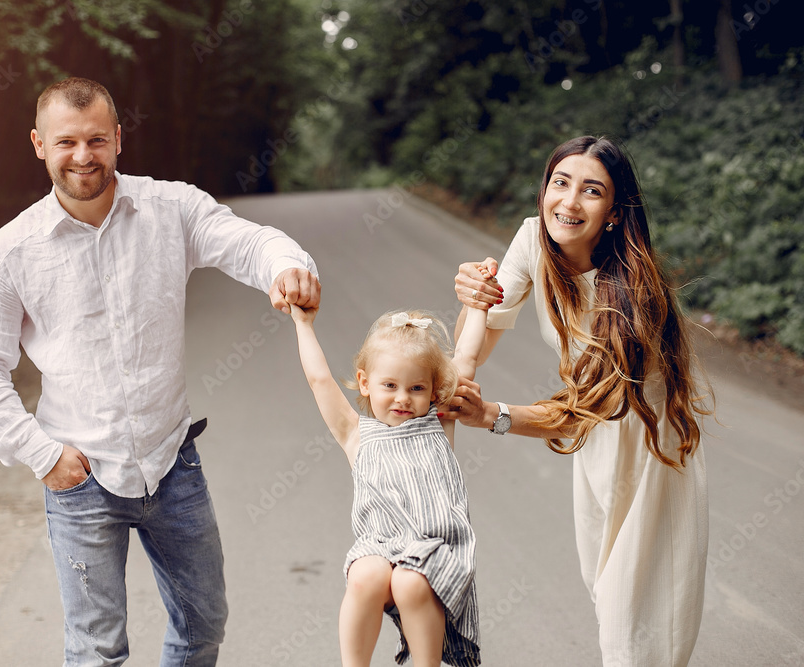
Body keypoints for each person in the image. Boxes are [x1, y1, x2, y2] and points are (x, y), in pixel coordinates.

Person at [0, 77, 321, 666]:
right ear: (39, 144)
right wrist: (41, 454)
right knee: (97, 652)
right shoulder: (10, 251)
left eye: (97, 139)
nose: (83, 155)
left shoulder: (171, 209)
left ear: (119, 139)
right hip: (79, 478)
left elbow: (249, 242)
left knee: (204, 627)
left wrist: (286, 267)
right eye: (66, 141)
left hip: (173, 462)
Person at [448, 136, 711, 666]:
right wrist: (474, 302)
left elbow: (585, 411)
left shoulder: (635, 294)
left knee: (634, 629)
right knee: (608, 603)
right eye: (560, 183)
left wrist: (492, 415)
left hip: (648, 451)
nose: (568, 202)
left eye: (591, 191)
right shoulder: (533, 240)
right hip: (596, 453)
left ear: (613, 212)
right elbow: (476, 345)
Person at [289, 302, 489, 666]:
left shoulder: (438, 422)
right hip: (379, 544)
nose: (403, 397)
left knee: (410, 581)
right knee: (364, 575)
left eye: (416, 387)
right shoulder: (355, 433)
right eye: (390, 385)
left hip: (434, 546)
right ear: (366, 383)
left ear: (434, 390)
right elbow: (320, 380)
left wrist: (478, 306)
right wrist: (303, 324)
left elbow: (466, 356)